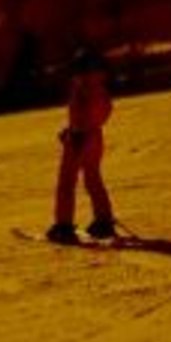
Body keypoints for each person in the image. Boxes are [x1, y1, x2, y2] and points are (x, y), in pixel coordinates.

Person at [46, 47, 117, 243]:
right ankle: (103, 220)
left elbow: (83, 116)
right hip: (93, 137)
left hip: (80, 139)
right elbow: (104, 111)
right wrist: (86, 128)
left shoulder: (83, 89)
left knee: (67, 182)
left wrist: (77, 131)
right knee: (93, 178)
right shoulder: (99, 88)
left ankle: (64, 225)